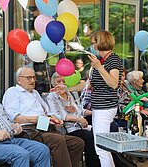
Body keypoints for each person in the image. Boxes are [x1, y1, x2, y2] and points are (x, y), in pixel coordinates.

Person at [52, 30, 123, 167]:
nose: (92, 46)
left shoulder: (112, 59)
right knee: (101, 147)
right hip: (99, 107)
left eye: (93, 43)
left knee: (101, 148)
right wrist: (66, 88)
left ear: (101, 43)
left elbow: (114, 83)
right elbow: (87, 85)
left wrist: (99, 67)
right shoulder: (100, 62)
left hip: (105, 107)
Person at [2, 67, 85, 167]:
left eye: (33, 77)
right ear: (19, 80)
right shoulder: (13, 92)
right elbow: (14, 118)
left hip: (44, 128)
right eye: (28, 78)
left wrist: (55, 119)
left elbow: (47, 113)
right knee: (57, 140)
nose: (32, 81)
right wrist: (38, 119)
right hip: (27, 131)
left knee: (77, 143)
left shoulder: (35, 93)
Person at [47, 72, 100, 167]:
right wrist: (79, 120)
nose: (62, 83)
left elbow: (80, 110)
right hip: (69, 129)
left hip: (82, 126)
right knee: (90, 137)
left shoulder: (70, 94)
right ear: (53, 83)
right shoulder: (52, 97)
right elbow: (58, 116)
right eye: (59, 81)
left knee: (100, 133)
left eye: (64, 81)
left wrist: (95, 113)